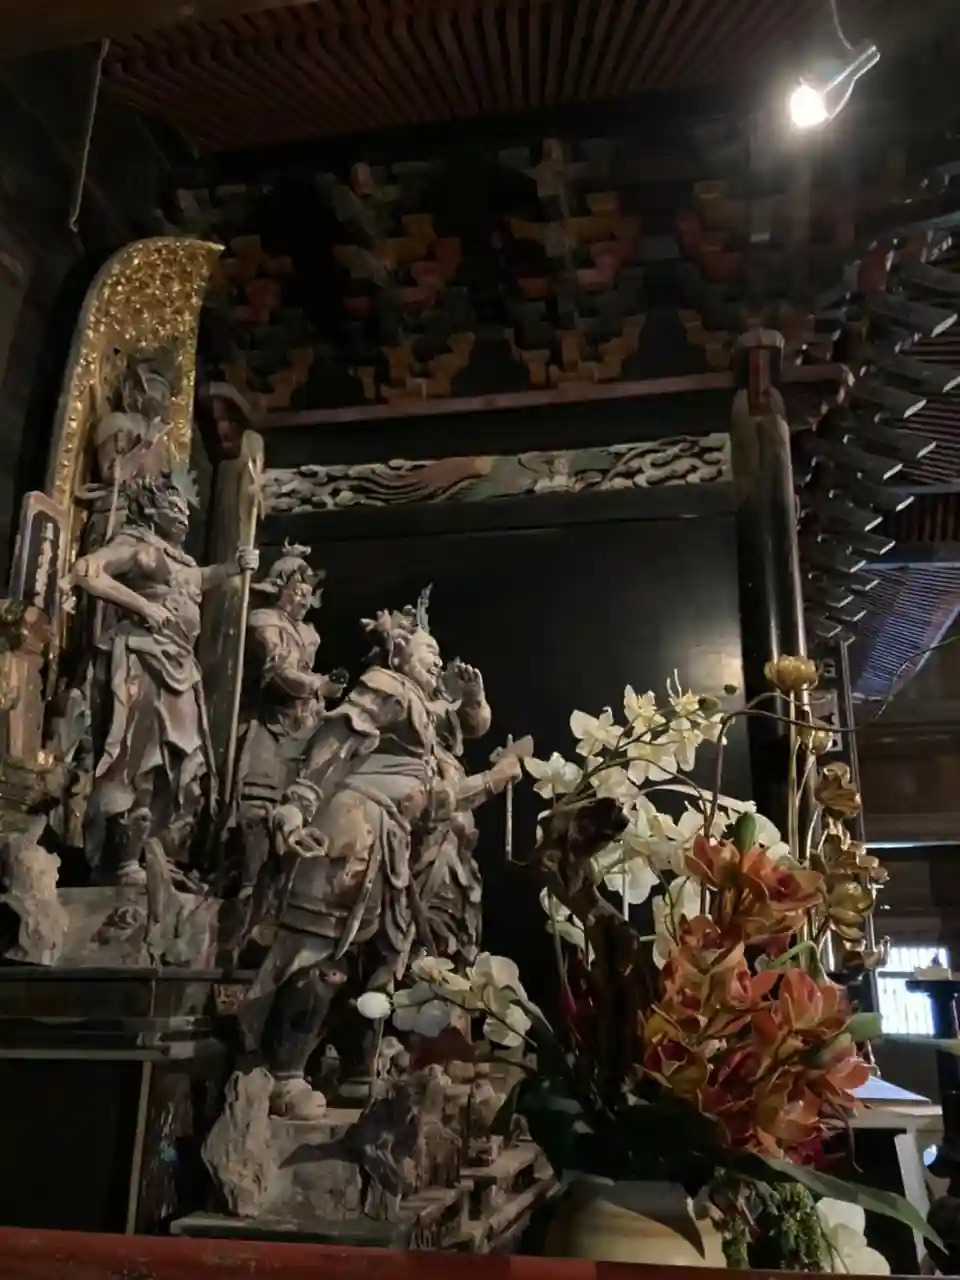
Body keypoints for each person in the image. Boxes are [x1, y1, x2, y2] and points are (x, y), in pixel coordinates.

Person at [244, 587, 521, 1120]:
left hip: (392, 842)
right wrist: (298, 803)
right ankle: (284, 1074)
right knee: (323, 950)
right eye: (427, 649)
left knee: (378, 964)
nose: (437, 659)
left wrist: (477, 710)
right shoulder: (386, 686)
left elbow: (460, 740)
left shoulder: (424, 713)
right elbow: (338, 739)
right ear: (398, 652)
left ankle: (358, 1072)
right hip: (354, 829)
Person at [71, 473, 258, 884]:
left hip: (181, 668)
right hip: (143, 660)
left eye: (186, 509)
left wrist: (233, 567)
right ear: (151, 511)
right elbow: (86, 570)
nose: (184, 516)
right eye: (174, 508)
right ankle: (121, 859)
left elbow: (200, 578)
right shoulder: (138, 547)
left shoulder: (181, 561)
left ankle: (156, 853)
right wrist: (143, 606)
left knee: (182, 765)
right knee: (138, 759)